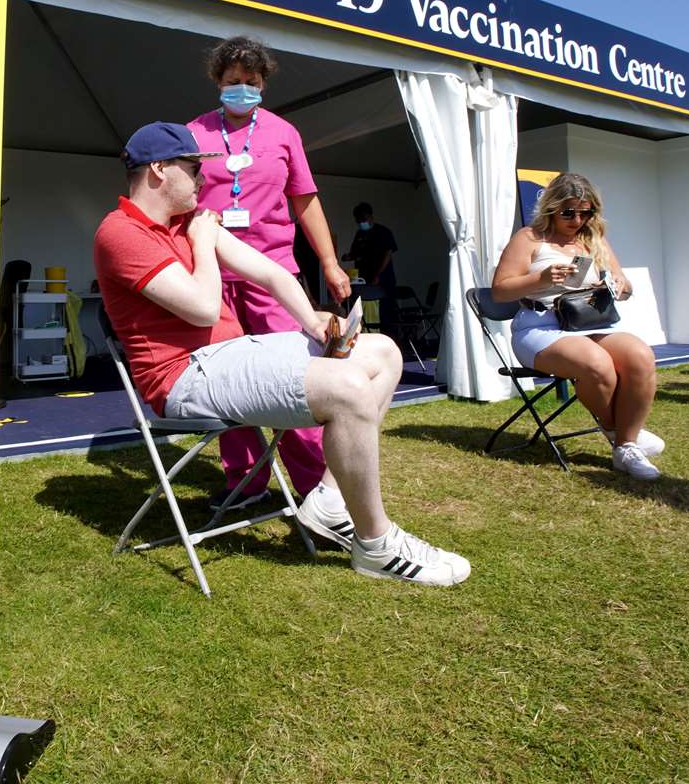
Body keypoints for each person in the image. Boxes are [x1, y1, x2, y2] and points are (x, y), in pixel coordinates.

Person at [94, 121, 470, 586]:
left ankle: (330, 504)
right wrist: (204, 246)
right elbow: (203, 308)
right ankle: (375, 545)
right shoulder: (121, 233)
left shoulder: (190, 223)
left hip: (231, 356)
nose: (202, 179)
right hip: (183, 377)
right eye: (193, 169)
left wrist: (312, 319)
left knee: (383, 353)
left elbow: (271, 274)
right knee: (348, 386)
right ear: (158, 170)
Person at [186, 36, 352, 512]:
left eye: (251, 82)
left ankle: (316, 486)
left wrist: (328, 261)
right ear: (218, 82)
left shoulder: (283, 133)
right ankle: (246, 481)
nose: (242, 89)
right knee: (224, 379)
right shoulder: (194, 132)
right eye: (233, 82)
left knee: (293, 377)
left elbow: (305, 200)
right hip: (211, 273)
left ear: (264, 85)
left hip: (273, 273)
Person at [490, 172, 665, 480]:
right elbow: (500, 291)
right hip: (539, 328)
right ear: (551, 208)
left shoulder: (592, 239)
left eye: (586, 212)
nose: (578, 219)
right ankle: (623, 440)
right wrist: (540, 279)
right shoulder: (529, 238)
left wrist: (617, 285)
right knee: (596, 363)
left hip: (587, 322)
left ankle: (625, 443)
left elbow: (626, 288)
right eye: (568, 212)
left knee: (640, 355)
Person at [342, 202, 401, 340]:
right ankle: (365, 338)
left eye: (363, 219)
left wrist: (378, 275)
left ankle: (391, 341)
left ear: (370, 216)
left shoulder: (383, 232)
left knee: (386, 313)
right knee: (362, 311)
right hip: (364, 280)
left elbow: (387, 254)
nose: (361, 222)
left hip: (383, 280)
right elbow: (355, 252)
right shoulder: (360, 234)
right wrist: (348, 256)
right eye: (358, 220)